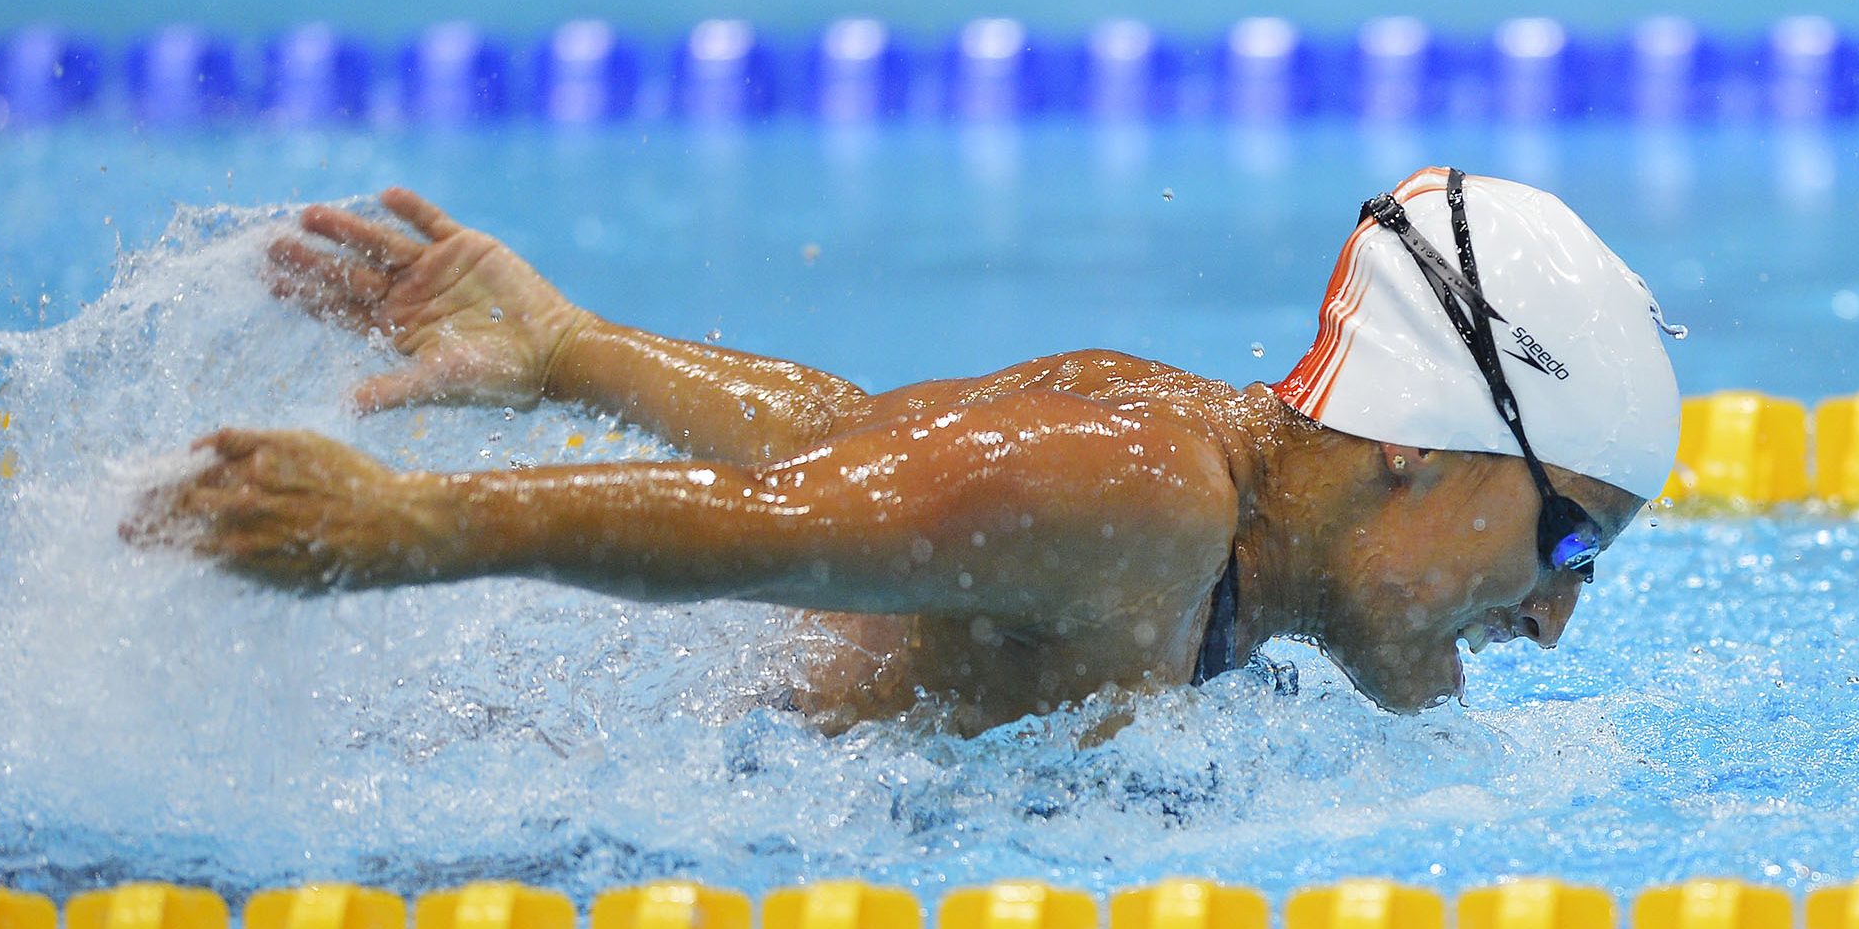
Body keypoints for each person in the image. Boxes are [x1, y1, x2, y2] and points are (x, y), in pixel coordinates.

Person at [127, 166, 1680, 734]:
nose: (1555, 612)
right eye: (1569, 539)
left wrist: (571, 353)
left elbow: (857, 447)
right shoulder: (1148, 499)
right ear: (1420, 444)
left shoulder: (1178, 465)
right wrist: (415, 528)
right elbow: (775, 525)